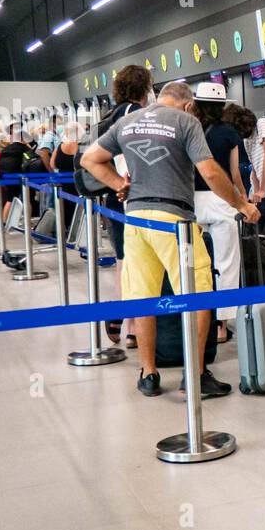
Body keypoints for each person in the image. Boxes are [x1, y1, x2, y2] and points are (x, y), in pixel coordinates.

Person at [80, 80, 260, 398]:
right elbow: (211, 172)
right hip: (174, 223)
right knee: (198, 296)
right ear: (189, 105)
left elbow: (90, 159)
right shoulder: (185, 121)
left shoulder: (128, 121)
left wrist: (118, 183)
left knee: (145, 298)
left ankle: (148, 373)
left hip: (135, 220)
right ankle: (195, 374)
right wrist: (242, 205)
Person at [100, 65, 152, 347]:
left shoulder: (109, 114)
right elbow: (134, 156)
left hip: (112, 196)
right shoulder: (134, 114)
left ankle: (128, 322)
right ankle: (127, 322)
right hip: (129, 197)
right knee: (133, 261)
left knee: (124, 261)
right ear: (145, 88)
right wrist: (125, 184)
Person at [192, 83, 248, 339]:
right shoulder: (229, 133)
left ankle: (196, 317)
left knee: (193, 263)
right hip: (223, 200)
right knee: (227, 263)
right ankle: (221, 325)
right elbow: (235, 173)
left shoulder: (189, 130)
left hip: (192, 201)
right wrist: (243, 201)